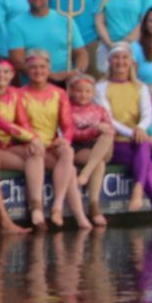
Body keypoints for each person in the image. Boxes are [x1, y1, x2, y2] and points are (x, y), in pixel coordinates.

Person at [100, 52, 152, 225]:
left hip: (136, 139)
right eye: (116, 58)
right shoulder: (101, 87)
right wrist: (133, 132)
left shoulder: (140, 87)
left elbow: (147, 114)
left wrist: (141, 128)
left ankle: (139, 190)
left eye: (124, 58)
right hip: (113, 141)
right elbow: (107, 118)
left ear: (131, 62)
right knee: (147, 163)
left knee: (143, 143)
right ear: (109, 61)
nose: (120, 62)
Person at [18, 51, 92, 229]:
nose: (38, 71)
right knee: (70, 171)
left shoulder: (59, 93)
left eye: (42, 67)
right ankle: (80, 217)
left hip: (51, 143)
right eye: (34, 67)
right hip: (29, 142)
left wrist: (65, 139)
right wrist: (34, 140)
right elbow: (22, 122)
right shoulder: (19, 93)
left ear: (49, 69)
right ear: (27, 70)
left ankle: (58, 205)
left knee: (67, 151)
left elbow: (67, 124)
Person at [0, 56, 44, 233]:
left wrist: (33, 139)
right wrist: (31, 137)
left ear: (12, 74)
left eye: (6, 72)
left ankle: (36, 207)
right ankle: (15, 215)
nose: (1, 76)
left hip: (6, 144)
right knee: (27, 164)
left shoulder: (14, 93)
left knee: (34, 153)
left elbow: (22, 120)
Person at [4, 0, 83, 82]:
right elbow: (17, 61)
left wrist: (77, 72)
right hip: (33, 83)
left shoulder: (66, 21)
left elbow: (81, 52)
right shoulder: (16, 24)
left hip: (65, 82)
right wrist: (49, 75)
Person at [63, 74, 114, 228]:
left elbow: (111, 129)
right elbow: (71, 133)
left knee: (108, 133)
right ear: (72, 91)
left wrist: (102, 129)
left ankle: (85, 174)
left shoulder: (100, 109)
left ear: (93, 93)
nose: (83, 95)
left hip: (100, 146)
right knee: (99, 164)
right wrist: (93, 130)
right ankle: (94, 205)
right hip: (80, 147)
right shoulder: (67, 109)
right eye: (79, 91)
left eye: (87, 91)